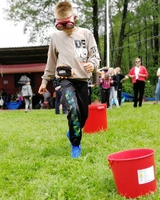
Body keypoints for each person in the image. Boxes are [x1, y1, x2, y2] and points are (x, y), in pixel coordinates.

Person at [38, 1, 100, 158]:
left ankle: (73, 130)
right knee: (72, 109)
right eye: (61, 25)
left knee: (83, 116)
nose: (65, 28)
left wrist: (92, 65)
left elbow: (95, 55)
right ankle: (75, 144)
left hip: (83, 81)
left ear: (75, 19)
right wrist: (45, 81)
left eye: (68, 24)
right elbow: (51, 62)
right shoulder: (55, 38)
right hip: (65, 80)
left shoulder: (86, 34)